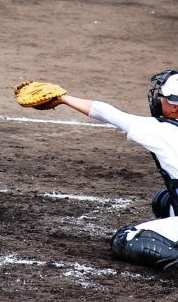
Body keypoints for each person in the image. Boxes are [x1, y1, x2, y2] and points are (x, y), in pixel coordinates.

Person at [42, 70, 178, 269]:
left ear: (175, 107)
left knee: (127, 239)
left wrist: (63, 98)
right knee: (164, 201)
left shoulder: (162, 130)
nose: (158, 100)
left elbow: (107, 113)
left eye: (163, 97)